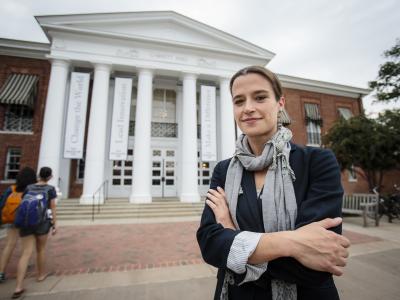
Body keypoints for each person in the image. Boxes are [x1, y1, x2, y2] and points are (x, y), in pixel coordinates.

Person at [197, 66, 350, 300]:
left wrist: (231, 236)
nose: (248, 108)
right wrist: (294, 243)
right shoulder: (223, 170)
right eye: (239, 101)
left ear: (280, 103)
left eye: (260, 97)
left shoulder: (317, 161)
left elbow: (316, 264)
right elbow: (210, 246)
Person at [12, 166, 58, 299]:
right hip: (42, 222)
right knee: (41, 249)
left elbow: (23, 203)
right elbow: (53, 207)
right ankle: (41, 275)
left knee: (25, 253)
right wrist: (55, 223)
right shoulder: (50, 189)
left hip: (26, 222)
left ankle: (18, 286)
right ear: (50, 177)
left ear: (39, 175)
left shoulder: (29, 187)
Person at [0, 167, 37, 283]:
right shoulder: (32, 190)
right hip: (25, 220)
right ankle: (20, 279)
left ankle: (1, 272)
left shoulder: (11, 189)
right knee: (27, 249)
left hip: (11, 219)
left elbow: (2, 204)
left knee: (9, 245)